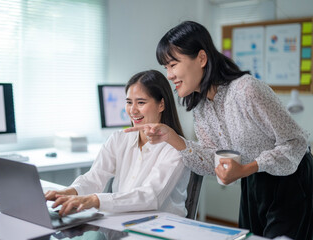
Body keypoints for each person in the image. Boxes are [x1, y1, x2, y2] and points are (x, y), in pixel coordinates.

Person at [124, 21, 313, 239]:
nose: (169, 75)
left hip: (292, 180)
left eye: (173, 65)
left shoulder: (246, 90)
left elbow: (296, 142)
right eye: (166, 67)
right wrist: (172, 137)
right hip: (253, 182)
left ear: (202, 58)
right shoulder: (201, 108)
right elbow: (209, 162)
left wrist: (248, 167)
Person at [45, 70, 190, 217]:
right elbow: (95, 177)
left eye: (140, 102)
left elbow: (150, 196)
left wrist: (95, 200)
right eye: (128, 102)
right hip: (122, 221)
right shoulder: (119, 138)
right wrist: (68, 192)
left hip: (162, 227)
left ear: (161, 105)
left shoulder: (176, 146)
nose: (132, 110)